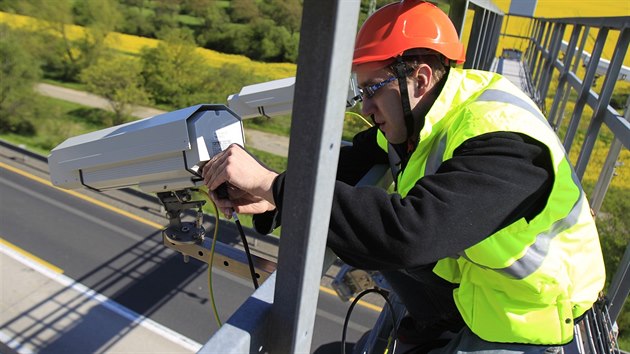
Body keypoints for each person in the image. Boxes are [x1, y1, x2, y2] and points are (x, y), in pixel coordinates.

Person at [202, 0, 606, 352]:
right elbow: (354, 158)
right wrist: (275, 196)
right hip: (482, 299)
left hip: (534, 326)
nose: (367, 107)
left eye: (373, 90)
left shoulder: (503, 145)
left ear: (421, 79)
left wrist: (272, 185)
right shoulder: (425, 116)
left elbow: (409, 234)